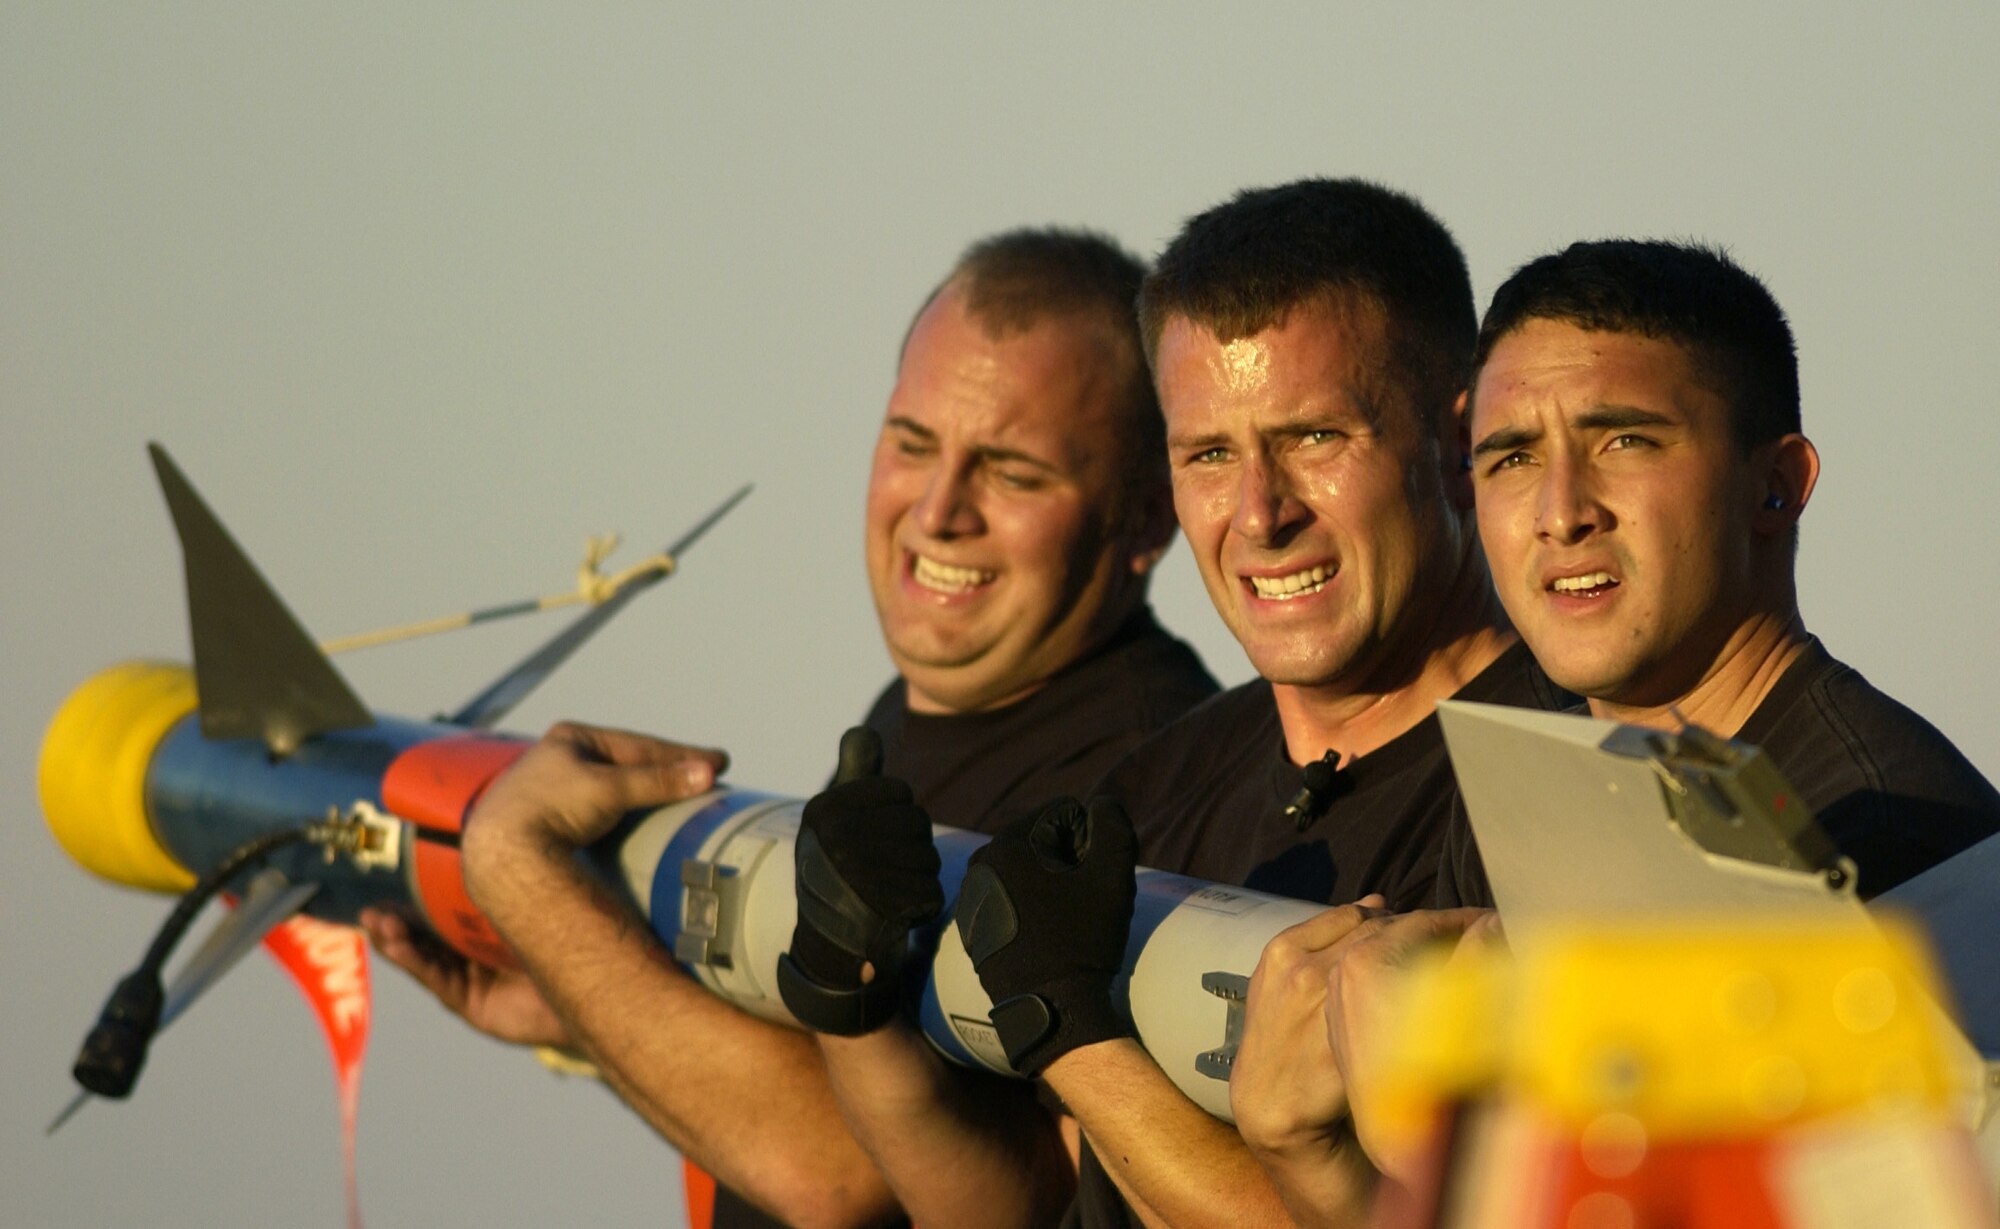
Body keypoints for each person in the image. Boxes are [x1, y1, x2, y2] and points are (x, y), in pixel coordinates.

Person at [361, 228, 1220, 1229]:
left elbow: (847, 1175)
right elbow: (819, 1087)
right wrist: (592, 1004)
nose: (936, 510)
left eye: (1012, 472)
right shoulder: (925, 717)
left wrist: (523, 875)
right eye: (910, 442)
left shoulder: (1142, 789)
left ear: (1147, 521)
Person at [784, 178, 1571, 1229]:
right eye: (1208, 453)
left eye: (1312, 438)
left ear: (1456, 438)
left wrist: (1074, 1039)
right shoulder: (1153, 785)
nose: (1257, 512)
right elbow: (1023, 1204)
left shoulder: (1562, 795)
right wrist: (854, 996)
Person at [1246, 239, 2000, 1222]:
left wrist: (1433, 1121)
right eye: (1511, 457)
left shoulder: (1888, 843)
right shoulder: (1544, 769)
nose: (1559, 512)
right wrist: (1306, 1152)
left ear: (1773, 485)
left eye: (1624, 441)